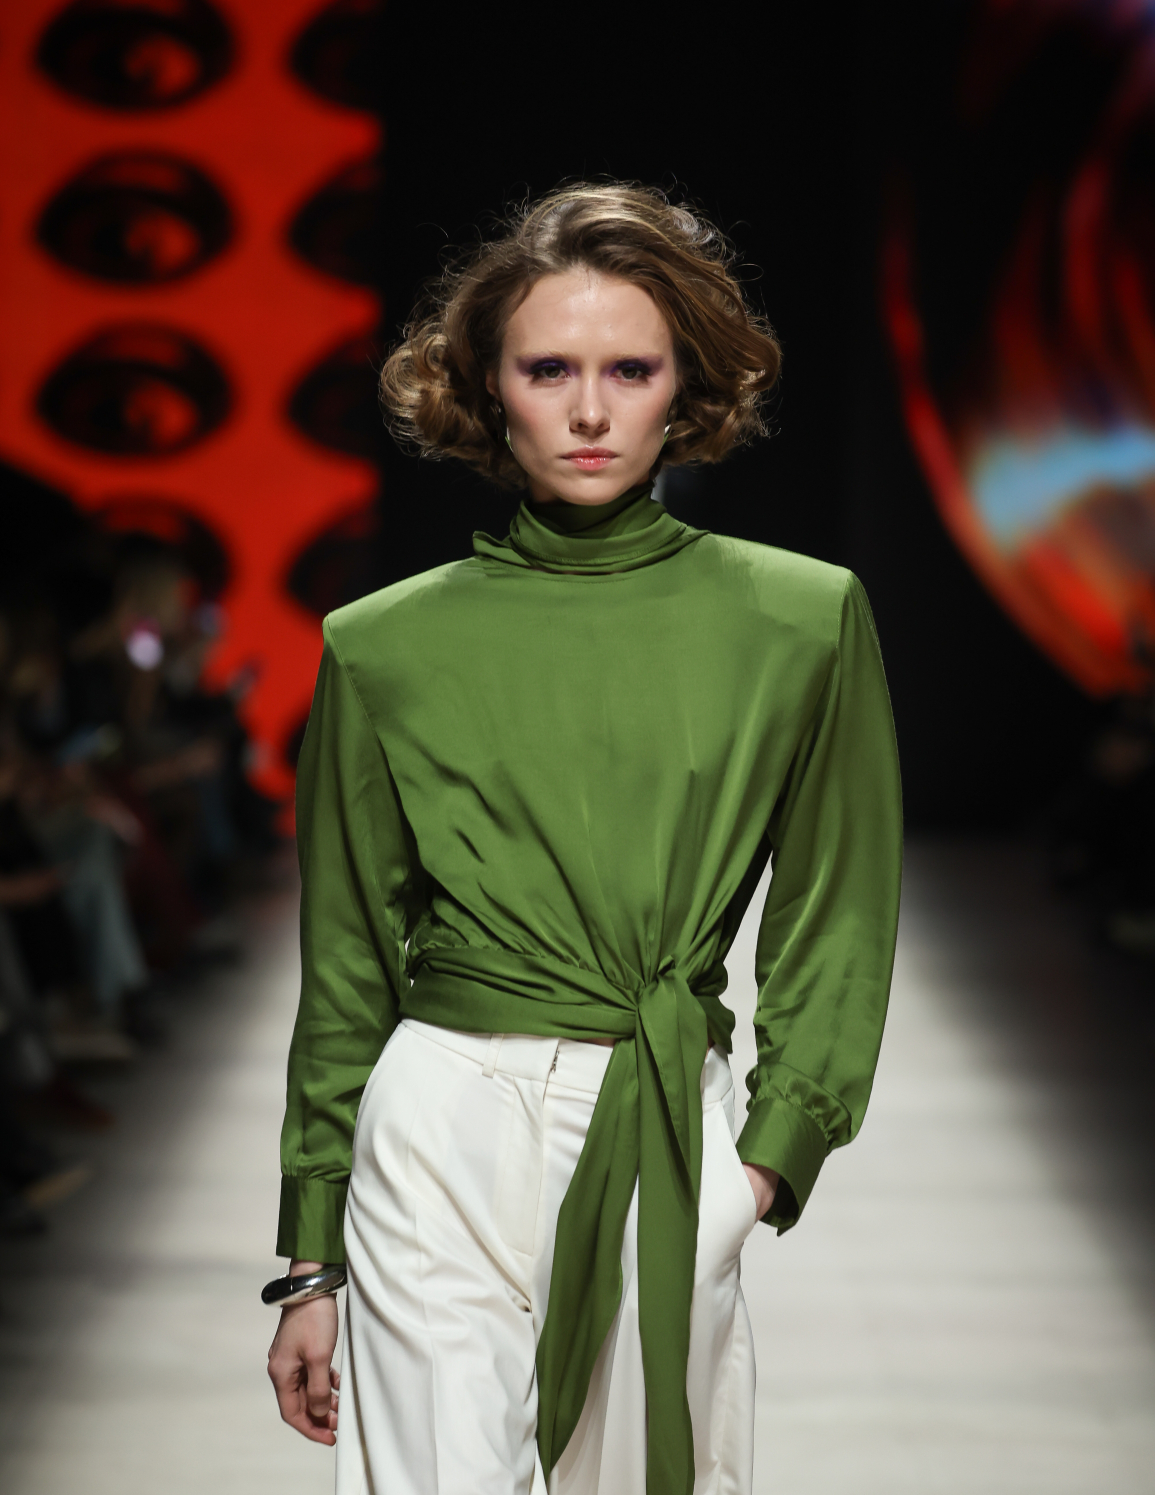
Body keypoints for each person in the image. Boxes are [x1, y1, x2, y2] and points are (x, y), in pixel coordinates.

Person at [267, 184, 903, 1495]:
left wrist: (768, 1162)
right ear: (487, 389)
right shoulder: (380, 645)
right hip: (437, 1121)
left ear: (688, 388)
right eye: (549, 369)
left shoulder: (803, 621)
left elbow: (839, 910)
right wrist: (311, 1258)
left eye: (631, 369)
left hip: (665, 1119)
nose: (591, 410)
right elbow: (346, 965)